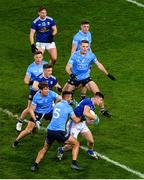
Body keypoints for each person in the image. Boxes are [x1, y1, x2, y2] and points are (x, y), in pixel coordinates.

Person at [31, 91, 82, 172]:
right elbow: (76, 120)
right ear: (67, 97)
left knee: (45, 148)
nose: (71, 99)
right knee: (76, 143)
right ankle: (74, 164)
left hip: (50, 130)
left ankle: (35, 165)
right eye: (71, 97)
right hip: (59, 131)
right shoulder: (69, 107)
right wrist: (82, 118)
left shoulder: (56, 105)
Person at [63, 40, 116, 117]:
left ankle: (103, 110)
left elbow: (99, 65)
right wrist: (71, 75)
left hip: (86, 78)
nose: (85, 48)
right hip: (75, 79)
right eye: (83, 46)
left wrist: (108, 74)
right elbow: (67, 67)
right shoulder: (74, 55)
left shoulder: (91, 55)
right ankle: (64, 111)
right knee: (65, 96)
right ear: (80, 46)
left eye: (87, 47)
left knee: (98, 94)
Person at [12, 82, 62, 147]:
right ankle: (16, 140)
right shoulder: (36, 97)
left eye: (48, 89)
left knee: (58, 124)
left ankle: (60, 138)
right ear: (40, 90)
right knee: (28, 130)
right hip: (38, 113)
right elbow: (31, 110)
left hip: (49, 112)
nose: (47, 91)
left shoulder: (51, 93)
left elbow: (60, 98)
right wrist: (35, 120)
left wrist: (55, 104)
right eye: (45, 89)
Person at [57, 92, 103, 160]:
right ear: (97, 98)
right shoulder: (88, 102)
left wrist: (91, 121)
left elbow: (86, 119)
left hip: (82, 124)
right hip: (74, 124)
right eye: (101, 100)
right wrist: (95, 118)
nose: (101, 102)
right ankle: (61, 150)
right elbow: (85, 113)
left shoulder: (91, 105)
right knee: (72, 145)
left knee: (91, 141)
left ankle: (90, 151)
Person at [16, 51, 48, 132]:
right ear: (34, 57)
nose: (38, 59)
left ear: (42, 57)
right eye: (36, 57)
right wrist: (33, 82)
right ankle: (20, 122)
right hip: (34, 90)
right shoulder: (31, 67)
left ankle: (34, 124)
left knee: (42, 108)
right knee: (29, 108)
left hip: (43, 90)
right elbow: (26, 80)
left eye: (40, 57)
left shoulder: (45, 64)